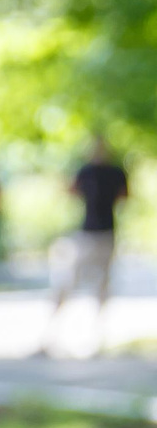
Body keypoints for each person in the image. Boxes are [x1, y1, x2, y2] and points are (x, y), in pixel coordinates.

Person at [41, 136, 129, 359]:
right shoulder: (85, 172)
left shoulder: (116, 173)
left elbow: (125, 196)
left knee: (102, 286)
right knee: (67, 282)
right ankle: (50, 337)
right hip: (86, 234)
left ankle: (97, 339)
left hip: (107, 235)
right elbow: (71, 192)